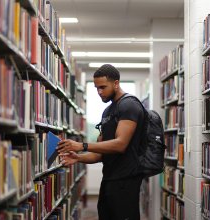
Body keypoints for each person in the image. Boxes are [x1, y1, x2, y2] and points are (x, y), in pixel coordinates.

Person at [57, 64, 145, 220]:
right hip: (109, 179)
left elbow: (120, 145)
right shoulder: (107, 111)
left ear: (116, 83)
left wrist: (82, 145)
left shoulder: (129, 105)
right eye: (97, 88)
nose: (99, 92)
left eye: (103, 87)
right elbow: (99, 155)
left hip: (126, 181)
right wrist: (78, 157)